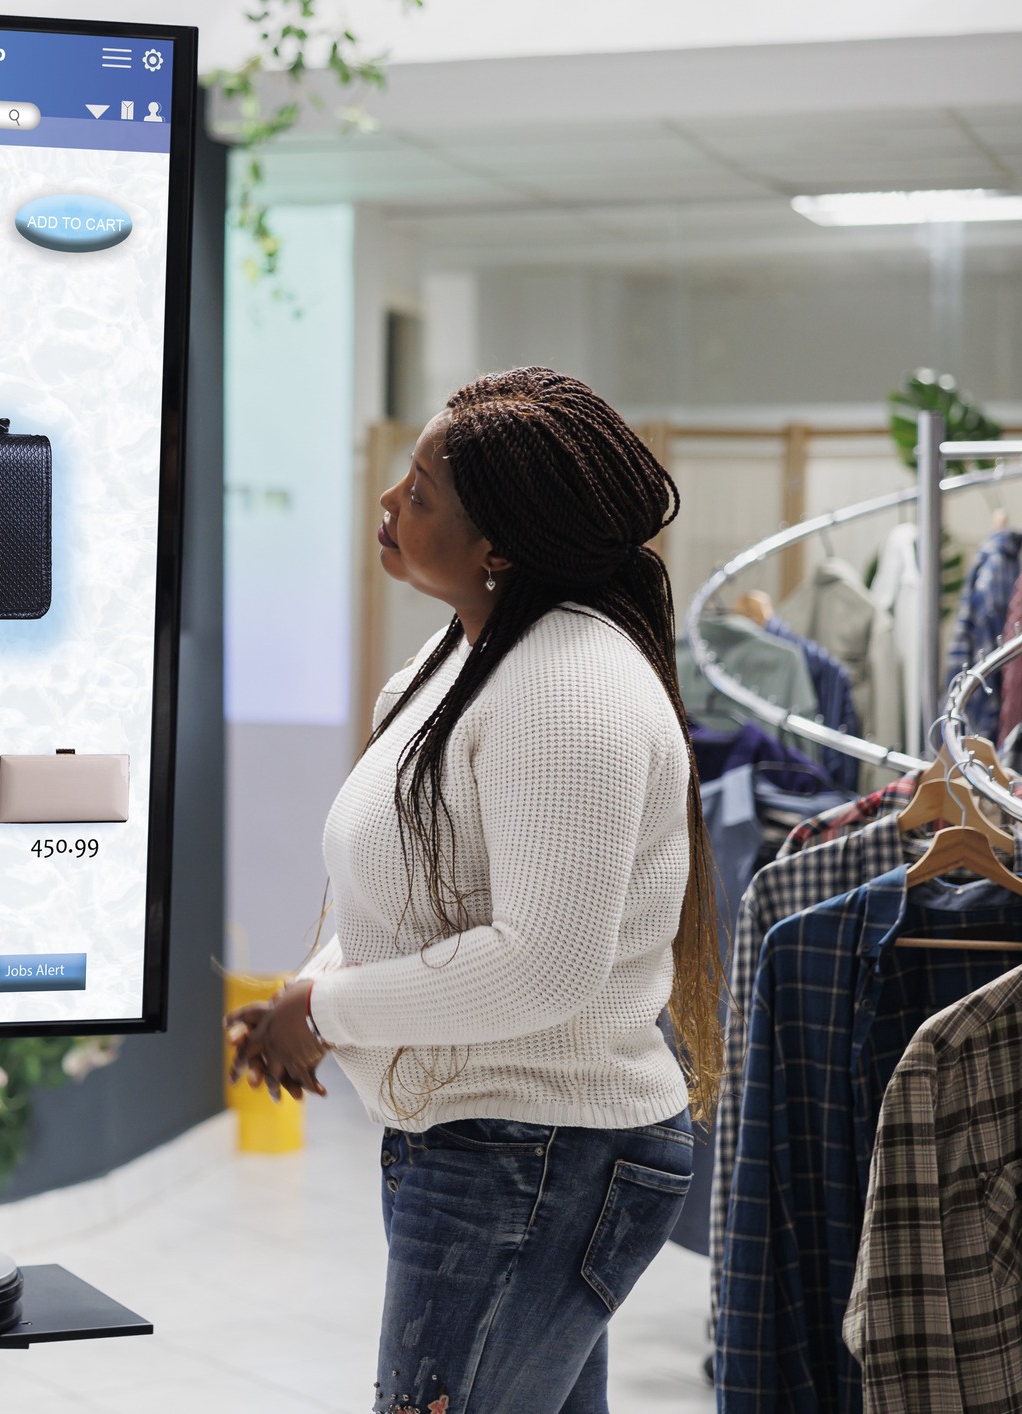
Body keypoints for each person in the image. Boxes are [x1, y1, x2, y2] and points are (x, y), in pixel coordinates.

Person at [228, 367, 722, 1414]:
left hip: (536, 1151)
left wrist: (320, 1008)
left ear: (502, 543)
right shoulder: (458, 658)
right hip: (496, 1145)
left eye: (421, 491)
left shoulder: (569, 685)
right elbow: (395, 888)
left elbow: (541, 964)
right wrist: (309, 995)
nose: (389, 503)